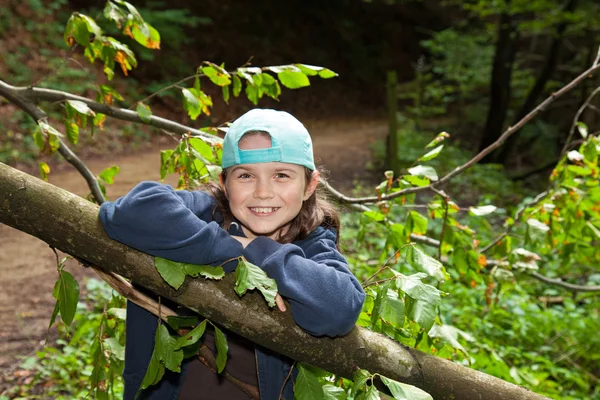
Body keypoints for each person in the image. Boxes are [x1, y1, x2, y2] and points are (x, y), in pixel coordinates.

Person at [99, 108, 365, 400]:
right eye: (246, 176)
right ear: (225, 184)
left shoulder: (311, 241)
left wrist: (258, 250)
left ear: (309, 186)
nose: (263, 192)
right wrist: (231, 250)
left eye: (281, 175)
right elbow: (127, 212)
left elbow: (340, 307)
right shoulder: (206, 213)